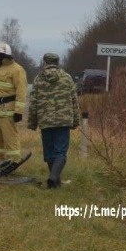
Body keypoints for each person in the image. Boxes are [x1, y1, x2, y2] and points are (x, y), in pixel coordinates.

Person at [27, 52, 80, 188]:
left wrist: (32, 123)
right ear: (57, 63)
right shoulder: (67, 78)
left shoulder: (39, 79)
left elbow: (33, 103)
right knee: (60, 152)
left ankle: (54, 181)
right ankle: (54, 178)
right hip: (63, 121)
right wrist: (76, 120)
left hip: (46, 121)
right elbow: (74, 100)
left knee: (50, 152)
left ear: (45, 63)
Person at [0, 42, 28, 164]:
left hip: (8, 111)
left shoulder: (17, 70)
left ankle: (13, 163)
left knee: (10, 140)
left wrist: (18, 111)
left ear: (5, 55)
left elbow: (21, 92)